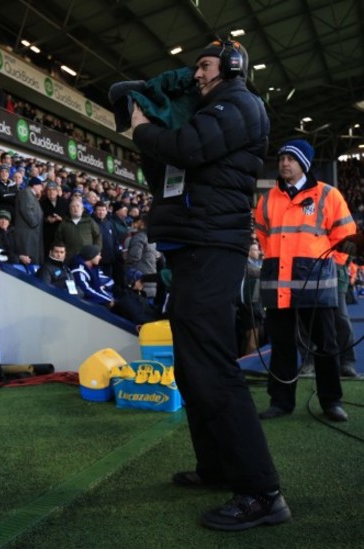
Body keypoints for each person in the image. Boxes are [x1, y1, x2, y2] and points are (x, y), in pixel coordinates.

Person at [129, 40, 290, 530]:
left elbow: (185, 148)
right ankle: (218, 466)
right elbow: (176, 165)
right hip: (195, 249)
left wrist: (141, 128)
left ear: (232, 66)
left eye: (203, 65)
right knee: (193, 368)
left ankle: (263, 492)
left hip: (211, 250)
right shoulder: (218, 108)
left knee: (214, 369)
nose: (195, 74)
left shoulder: (239, 103)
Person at [255, 139, 356, 422]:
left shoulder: (329, 195)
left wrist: (328, 267)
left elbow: (346, 239)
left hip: (317, 287)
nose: (284, 163)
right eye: (282, 157)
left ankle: (331, 401)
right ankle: (281, 402)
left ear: (305, 164)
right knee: (283, 346)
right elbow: (263, 236)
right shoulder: (267, 199)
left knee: (326, 346)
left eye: (292, 158)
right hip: (278, 289)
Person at [54, 198, 101, 264]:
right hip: (69, 259)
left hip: (87, 259)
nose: (75, 208)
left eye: (78, 206)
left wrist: (96, 251)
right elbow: (58, 240)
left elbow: (98, 237)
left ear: (82, 209)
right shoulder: (64, 224)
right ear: (70, 210)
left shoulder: (90, 222)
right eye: (73, 206)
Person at [14, 176, 45, 267]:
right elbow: (27, 211)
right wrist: (35, 222)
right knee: (27, 262)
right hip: (27, 235)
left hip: (31, 234)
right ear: (34, 185)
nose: (41, 188)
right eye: (40, 186)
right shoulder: (26, 193)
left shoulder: (31, 195)